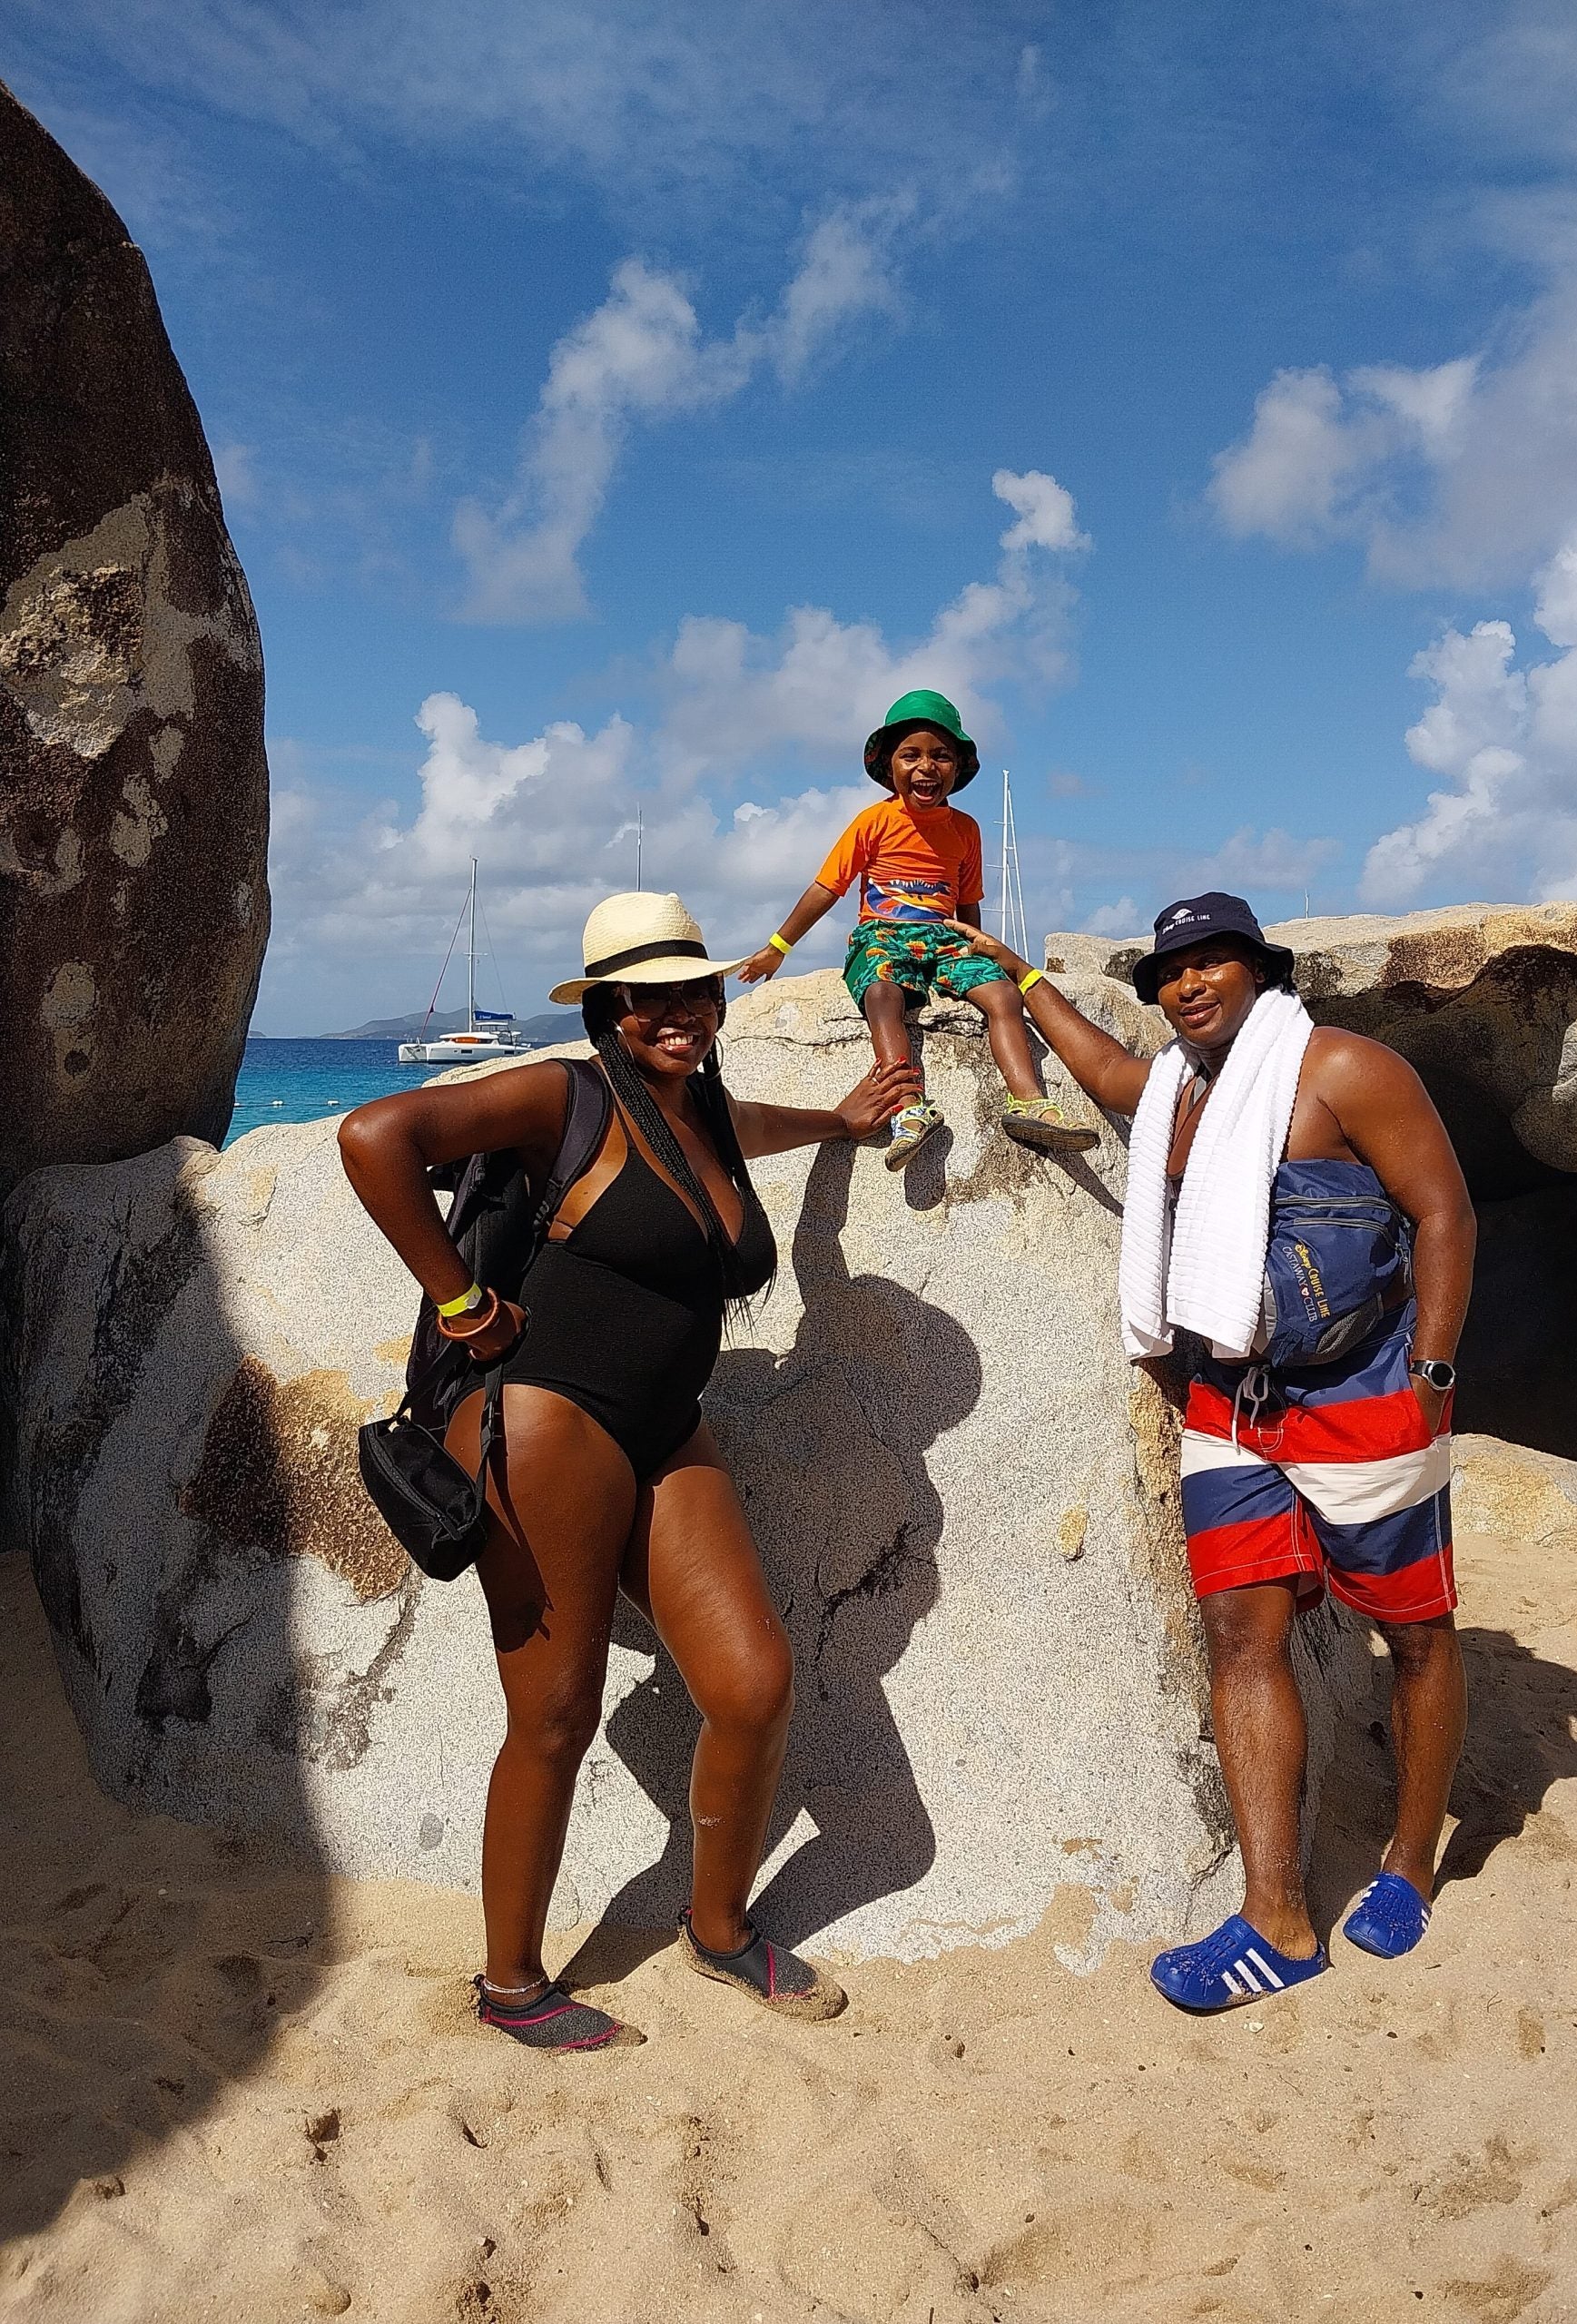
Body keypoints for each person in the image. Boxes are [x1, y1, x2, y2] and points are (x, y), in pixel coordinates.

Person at [340, 891, 918, 2051]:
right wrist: (462, 1302)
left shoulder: (700, 1107)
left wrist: (843, 1120)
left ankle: (718, 1927)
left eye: (693, 989)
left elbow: (745, 1129)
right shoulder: (565, 1095)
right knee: (555, 1713)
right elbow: (374, 1136)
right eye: (648, 996)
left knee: (751, 1684)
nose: (678, 1012)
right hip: (548, 1422)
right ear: (608, 1008)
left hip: (665, 1427)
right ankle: (512, 1984)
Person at [944, 893, 1476, 2011]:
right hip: (1232, 1400)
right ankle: (1277, 1919)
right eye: (1169, 972)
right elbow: (1106, 1074)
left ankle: (1410, 1861)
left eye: (1210, 961)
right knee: (1241, 1635)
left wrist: (1430, 1375)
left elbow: (1445, 1213)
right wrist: (1016, 975)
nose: (1188, 984)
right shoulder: (1182, 1089)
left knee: (1415, 1633)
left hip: (1365, 1394)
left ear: (1258, 969)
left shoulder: (1343, 1068)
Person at [738, 688, 1097, 1167]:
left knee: (1003, 996)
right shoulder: (873, 822)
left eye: (940, 756)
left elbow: (967, 900)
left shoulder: (966, 829)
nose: (926, 767)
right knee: (882, 995)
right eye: (911, 755)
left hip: (946, 938)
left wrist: (978, 950)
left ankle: (1028, 1103)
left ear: (957, 767)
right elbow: (827, 887)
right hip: (883, 933)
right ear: (890, 766)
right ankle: (908, 1109)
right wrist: (778, 946)